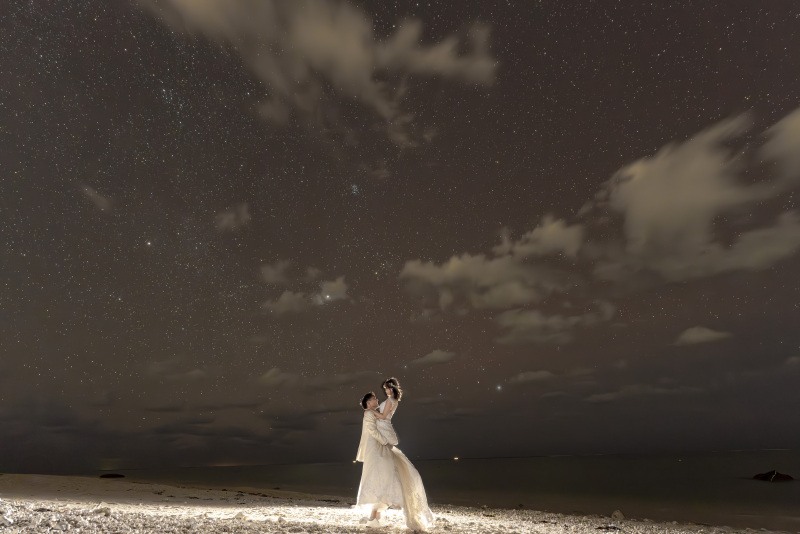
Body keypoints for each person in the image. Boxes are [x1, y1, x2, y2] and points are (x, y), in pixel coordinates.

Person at [355, 380, 434, 531]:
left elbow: (382, 419)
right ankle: (373, 517)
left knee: (385, 476)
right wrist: (385, 442)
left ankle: (375, 517)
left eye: (385, 389)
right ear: (368, 402)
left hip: (381, 445)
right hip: (377, 448)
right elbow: (373, 431)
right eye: (374, 398)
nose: (378, 398)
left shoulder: (383, 406)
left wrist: (385, 440)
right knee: (381, 477)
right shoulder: (369, 413)